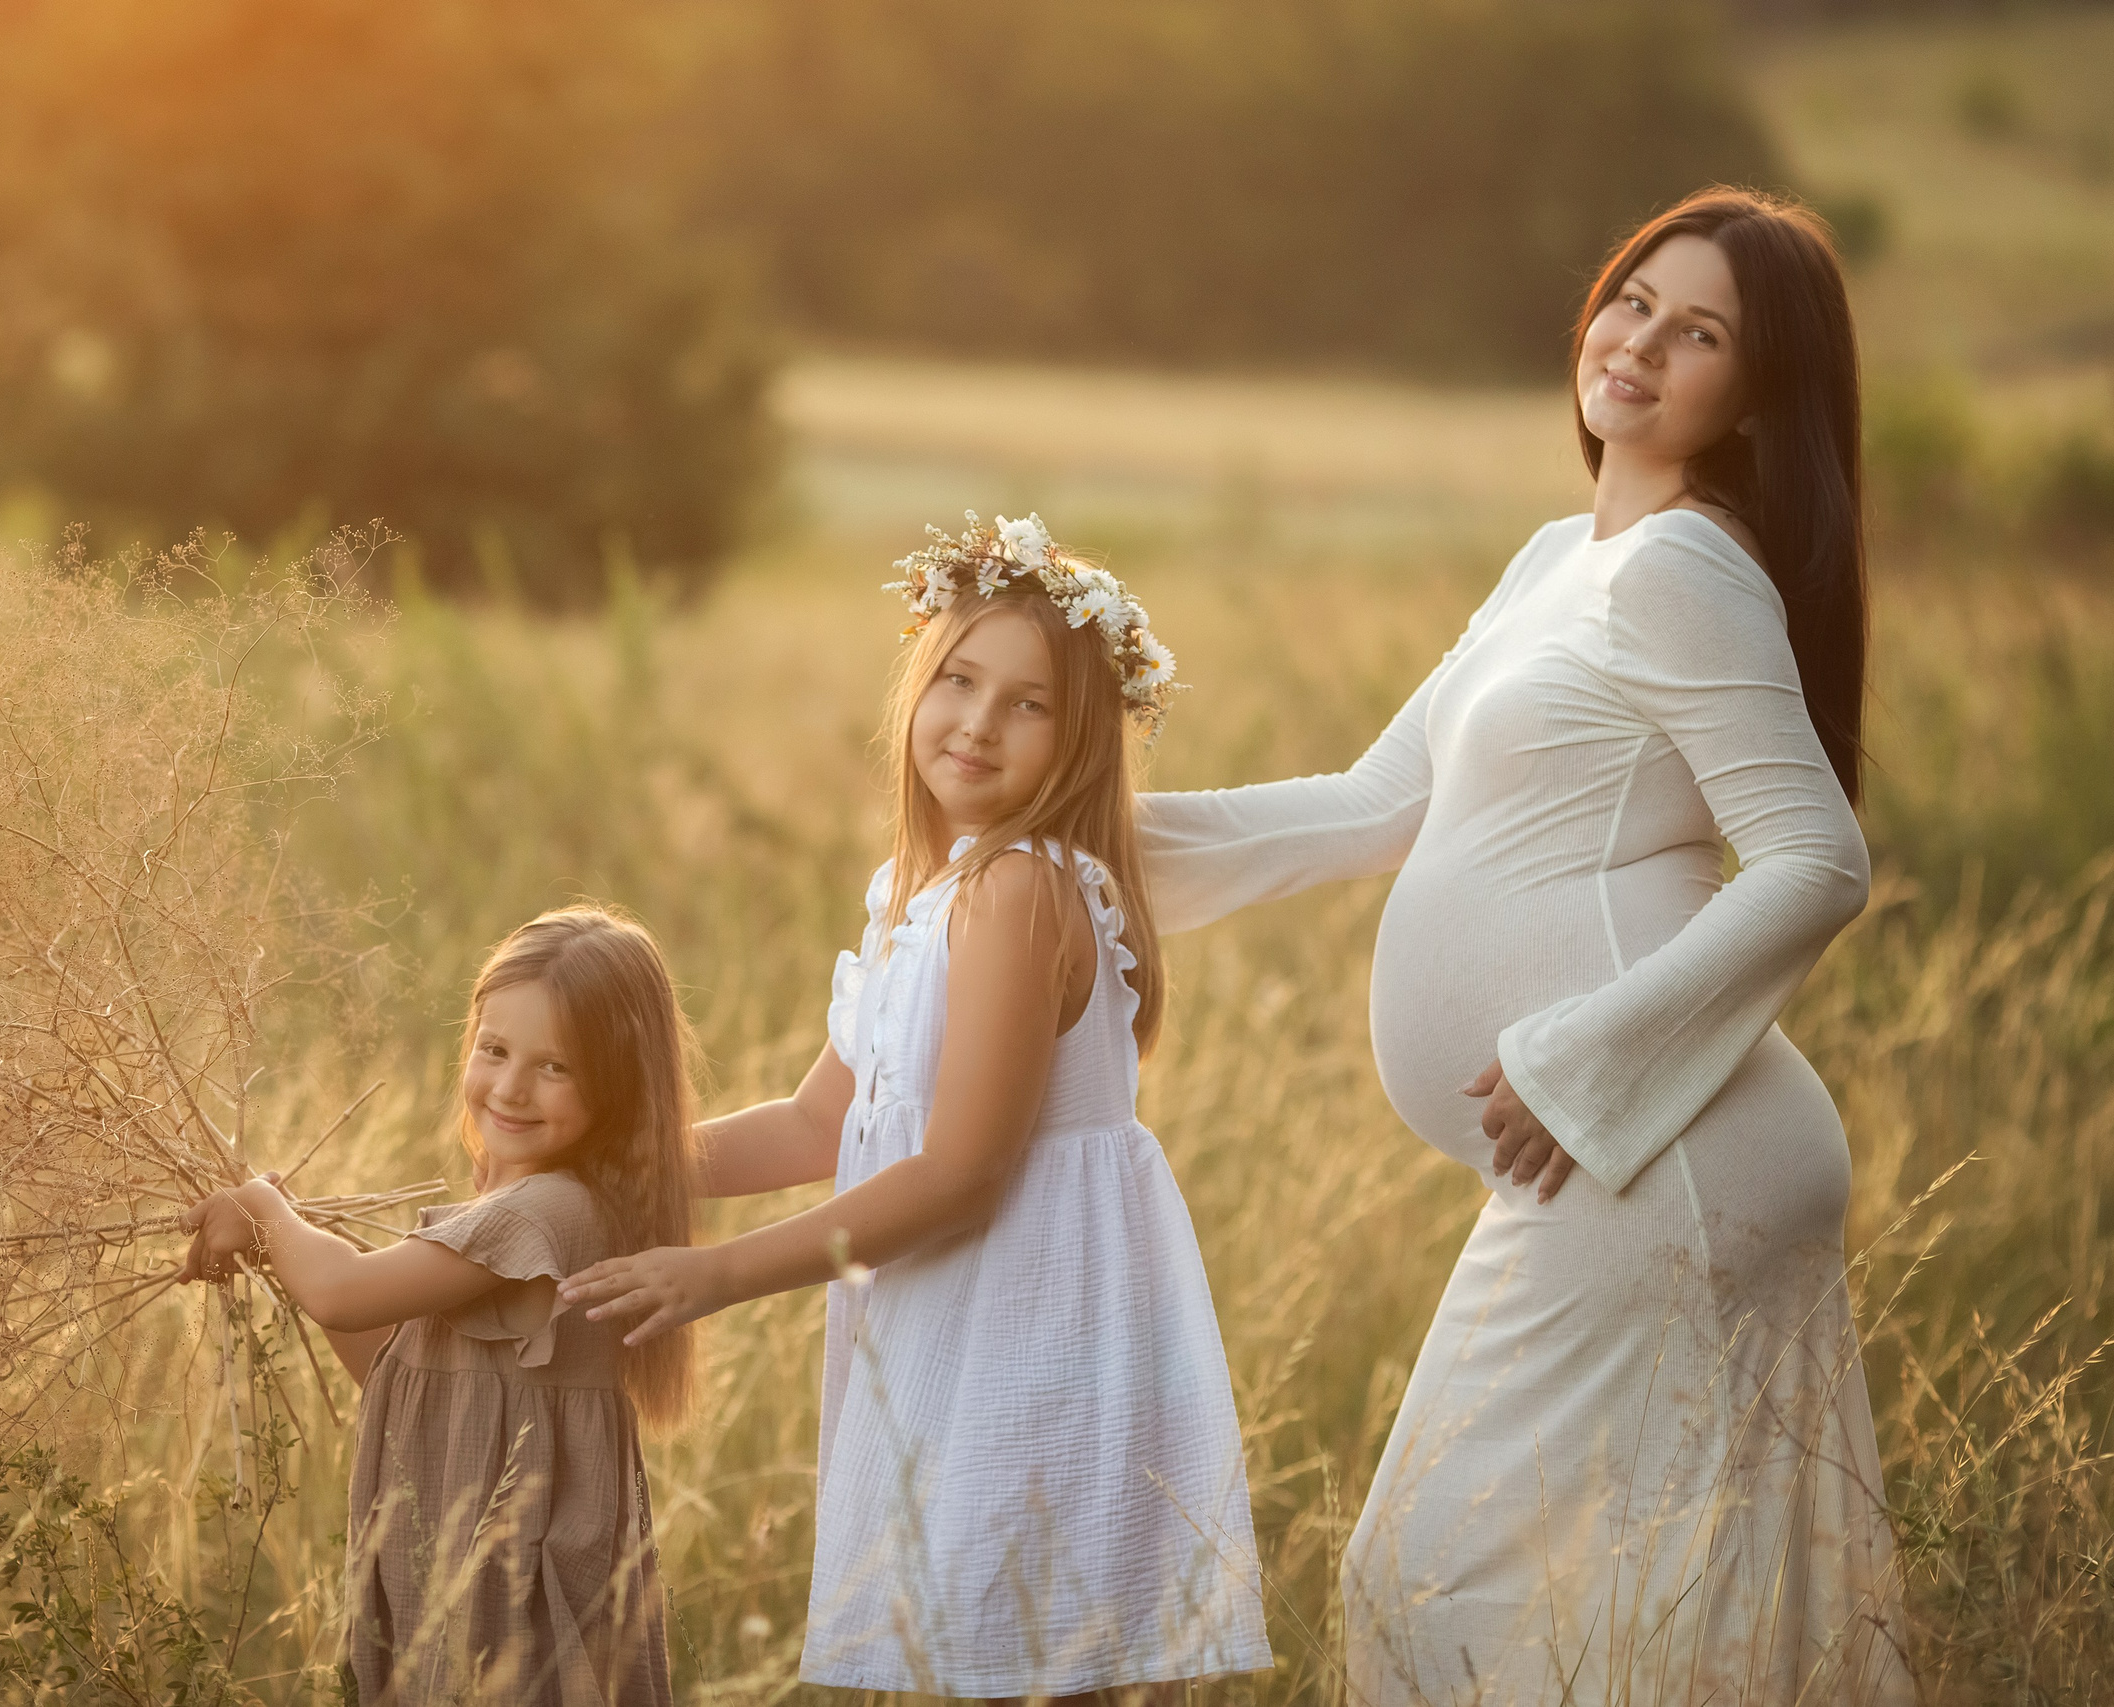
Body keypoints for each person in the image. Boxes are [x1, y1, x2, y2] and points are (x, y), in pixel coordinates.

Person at [1138, 188, 1912, 1702]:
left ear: (1754, 396)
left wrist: (1576, 1062)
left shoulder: (1689, 566)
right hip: (1636, 1158)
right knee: (1656, 1613)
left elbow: (1821, 860)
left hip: (1653, 1156)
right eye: (1635, 297)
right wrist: (1069, 841)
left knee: (1425, 1574)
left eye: (1702, 336)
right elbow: (1376, 804)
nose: (1641, 342)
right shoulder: (1568, 553)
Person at [558, 516, 1272, 1702]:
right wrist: (620, 1167)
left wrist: (716, 1273)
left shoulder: (1018, 893)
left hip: (1035, 1327)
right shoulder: (917, 891)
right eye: (958, 680)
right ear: (915, 688)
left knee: (1022, 1658)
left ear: (1081, 736)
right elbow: (814, 1124)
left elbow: (959, 1174)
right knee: (971, 1653)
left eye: (1029, 704)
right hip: (953, 1315)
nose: (980, 724)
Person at [177, 905, 699, 1706]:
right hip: (459, 1578)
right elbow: (394, 1370)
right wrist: (283, 1248)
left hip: (518, 1595)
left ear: (620, 1081)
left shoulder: (547, 1213)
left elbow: (343, 1292)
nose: (512, 1087)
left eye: (555, 1066)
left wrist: (267, 1211)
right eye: (494, 1050)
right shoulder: (526, 1207)